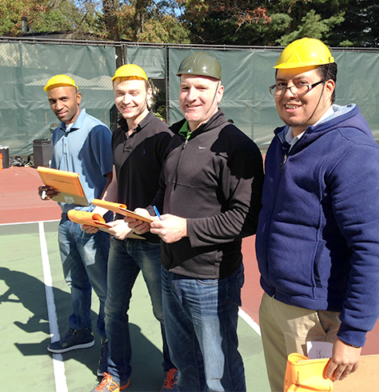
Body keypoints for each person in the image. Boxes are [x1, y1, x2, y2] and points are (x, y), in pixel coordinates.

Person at [255, 38, 379, 392]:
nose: (289, 93)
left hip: (317, 316)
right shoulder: (283, 141)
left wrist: (352, 333)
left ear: (327, 87)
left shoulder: (352, 152)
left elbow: (374, 250)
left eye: (302, 83)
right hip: (274, 302)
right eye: (282, 84)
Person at [127, 52, 264, 392]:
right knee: (185, 364)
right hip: (169, 272)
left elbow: (247, 219)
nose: (192, 96)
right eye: (185, 88)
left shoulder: (238, 147)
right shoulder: (176, 137)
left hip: (210, 281)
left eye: (201, 87)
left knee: (219, 371)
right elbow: (164, 191)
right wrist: (149, 213)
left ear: (219, 93)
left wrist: (187, 229)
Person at [84, 64, 177, 392]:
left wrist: (137, 224)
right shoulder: (117, 133)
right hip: (120, 239)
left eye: (133, 92)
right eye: (120, 93)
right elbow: (118, 183)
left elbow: (172, 193)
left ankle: (174, 369)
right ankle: (116, 374)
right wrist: (100, 210)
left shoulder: (163, 135)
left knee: (163, 313)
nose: (126, 99)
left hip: (151, 242)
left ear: (148, 94)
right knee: (112, 309)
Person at [38, 75, 113, 375]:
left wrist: (97, 217)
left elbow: (111, 179)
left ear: (78, 98)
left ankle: (110, 346)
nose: (59, 106)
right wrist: (47, 191)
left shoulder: (97, 131)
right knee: (75, 282)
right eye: (53, 101)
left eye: (64, 99)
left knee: (105, 290)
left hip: (92, 224)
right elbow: (59, 179)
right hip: (66, 220)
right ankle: (81, 330)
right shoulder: (57, 133)